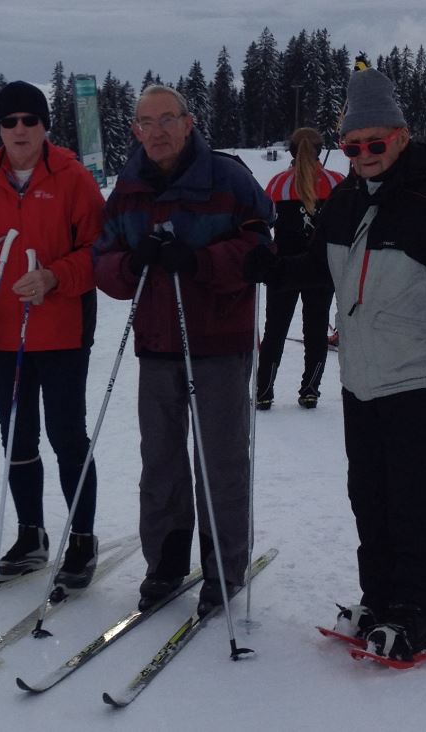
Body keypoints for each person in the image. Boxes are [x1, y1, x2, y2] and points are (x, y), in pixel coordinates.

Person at [244, 65, 426, 660]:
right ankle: (381, 598)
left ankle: (425, 609)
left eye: (375, 144)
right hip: (362, 377)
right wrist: (272, 270)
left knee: (414, 497)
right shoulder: (346, 199)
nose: (364, 156)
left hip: (421, 371)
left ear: (400, 136)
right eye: (353, 147)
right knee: (368, 494)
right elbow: (318, 267)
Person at [94, 85, 274, 613]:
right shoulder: (128, 189)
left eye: (167, 119)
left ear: (189, 122)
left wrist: (199, 262)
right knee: (161, 463)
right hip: (157, 343)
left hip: (217, 341)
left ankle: (224, 568)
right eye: (146, 123)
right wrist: (133, 264)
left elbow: (260, 244)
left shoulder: (227, 176)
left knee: (220, 461)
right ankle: (166, 565)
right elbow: (102, 259)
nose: (157, 132)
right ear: (135, 130)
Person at [0, 80, 104, 590]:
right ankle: (30, 535)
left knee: (67, 435)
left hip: (63, 331)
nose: (19, 130)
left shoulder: (73, 179)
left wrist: (54, 276)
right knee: (17, 436)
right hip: (3, 334)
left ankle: (82, 539)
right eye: (9, 121)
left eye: (29, 120)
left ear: (44, 126)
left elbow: (97, 251)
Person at [256, 127, 345, 410]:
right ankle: (310, 390)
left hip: (283, 269)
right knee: (316, 331)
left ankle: (264, 391)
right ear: (320, 150)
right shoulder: (337, 183)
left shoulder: (277, 184)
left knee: (275, 330)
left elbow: (263, 222)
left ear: (292, 151)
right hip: (322, 269)